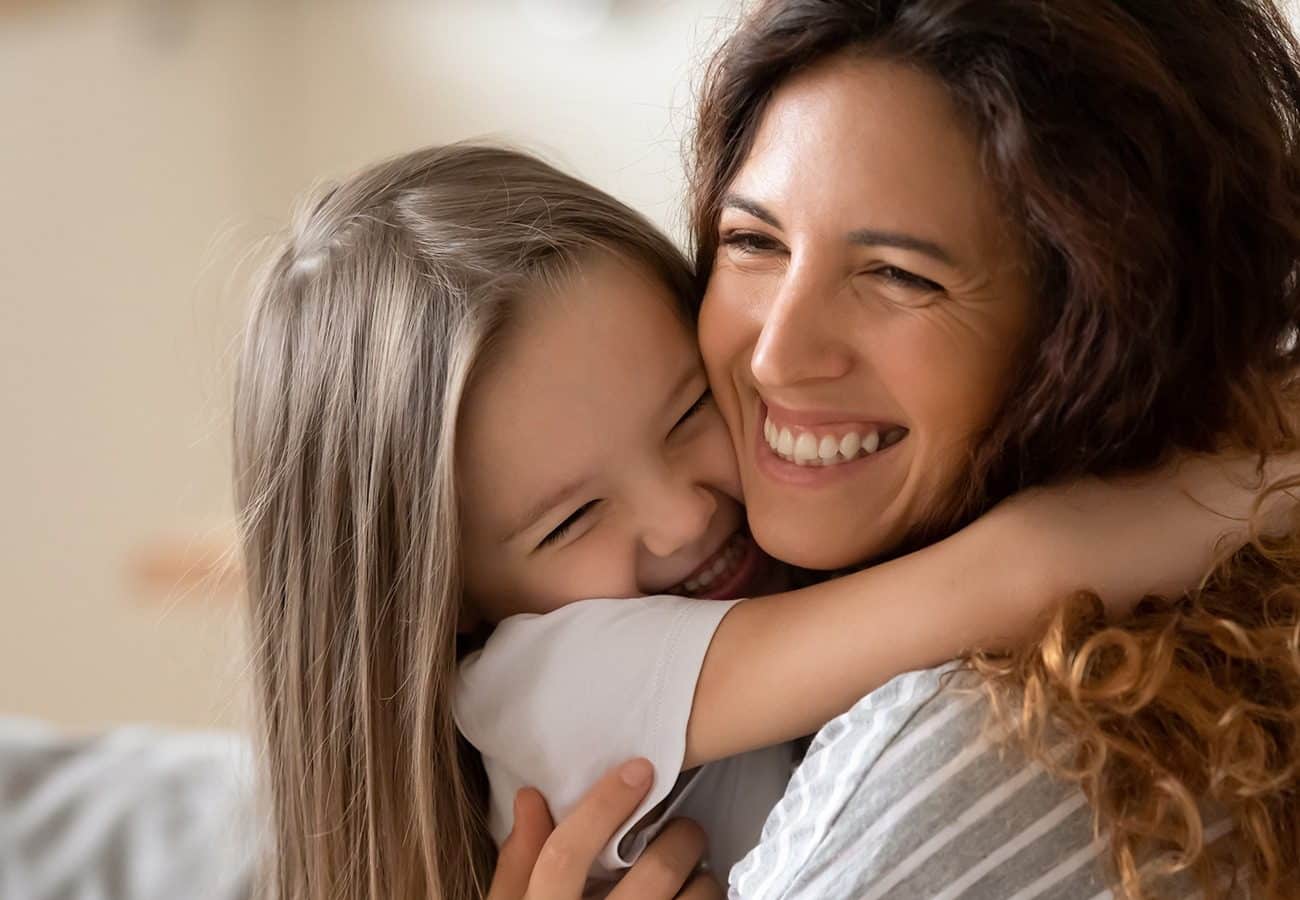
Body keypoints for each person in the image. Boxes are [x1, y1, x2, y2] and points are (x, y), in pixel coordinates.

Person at [233, 144, 1281, 900]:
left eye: (689, 410)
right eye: (569, 521)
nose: (680, 511)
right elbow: (1016, 570)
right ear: (447, 601)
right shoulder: (536, 687)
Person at [678, 0, 1300, 896]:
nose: (776, 353)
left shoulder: (953, 761)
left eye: (898, 274)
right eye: (752, 241)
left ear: (1096, 338)